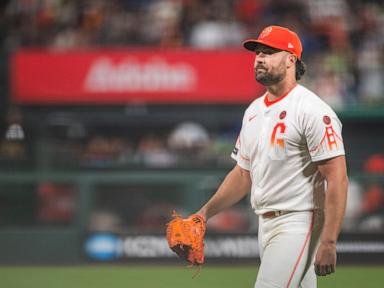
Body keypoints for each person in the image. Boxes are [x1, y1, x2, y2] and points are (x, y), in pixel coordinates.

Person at [195, 25, 348, 288]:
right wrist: (204, 213)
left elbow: (337, 178)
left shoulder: (311, 110)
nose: (260, 59)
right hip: (265, 225)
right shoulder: (254, 111)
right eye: (257, 53)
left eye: (269, 52)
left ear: (291, 60)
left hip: (299, 222)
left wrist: (329, 241)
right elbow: (243, 174)